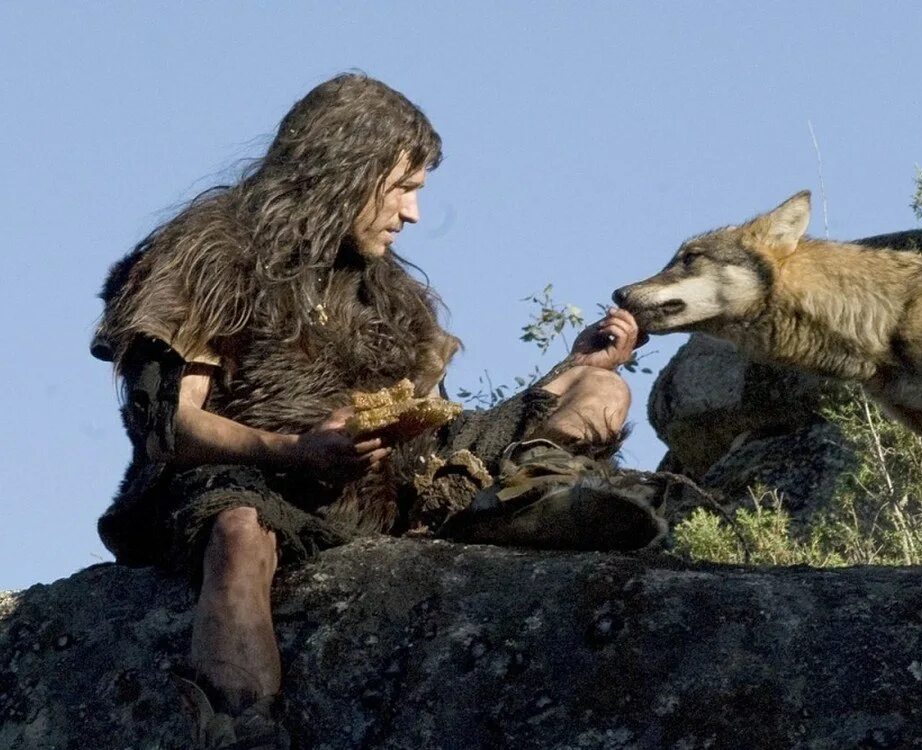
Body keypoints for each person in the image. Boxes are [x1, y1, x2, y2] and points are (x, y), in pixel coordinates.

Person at [91, 73, 659, 748]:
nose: (413, 213)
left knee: (600, 389)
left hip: (390, 484)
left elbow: (429, 418)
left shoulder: (392, 296)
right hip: (248, 477)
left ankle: (525, 494)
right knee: (239, 530)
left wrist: (577, 363)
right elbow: (166, 428)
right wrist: (291, 450)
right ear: (343, 170)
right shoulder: (210, 253)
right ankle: (238, 726)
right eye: (403, 187)